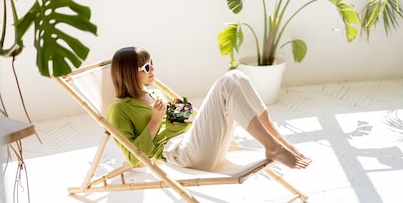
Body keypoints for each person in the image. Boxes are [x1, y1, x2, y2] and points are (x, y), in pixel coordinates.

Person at [107, 46, 312, 172]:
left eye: (151, 64)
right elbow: (133, 158)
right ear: (128, 74)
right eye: (146, 68)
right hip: (183, 155)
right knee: (226, 83)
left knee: (235, 76)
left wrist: (180, 114)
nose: (153, 70)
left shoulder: (154, 94)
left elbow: (179, 123)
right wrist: (154, 121)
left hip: (195, 142)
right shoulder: (119, 110)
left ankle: (280, 143)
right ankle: (273, 147)